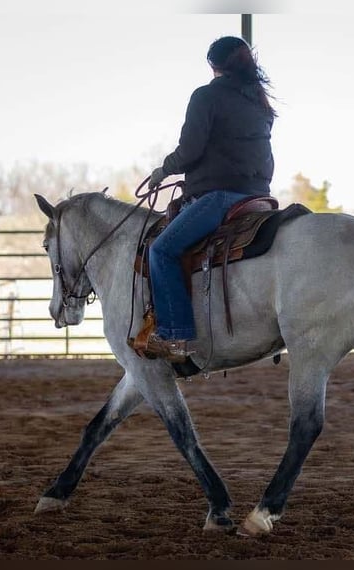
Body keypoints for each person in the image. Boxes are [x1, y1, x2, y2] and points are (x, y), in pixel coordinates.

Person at [145, 35, 276, 363]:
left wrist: (164, 170)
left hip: (220, 195)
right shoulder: (259, 101)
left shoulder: (207, 95)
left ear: (213, 66)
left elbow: (190, 151)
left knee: (161, 250)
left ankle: (176, 337)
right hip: (259, 195)